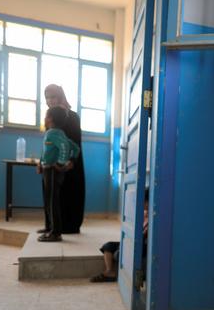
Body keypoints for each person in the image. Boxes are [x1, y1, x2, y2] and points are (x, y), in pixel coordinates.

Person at [43, 84, 85, 234]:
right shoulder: (51, 115)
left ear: (60, 96)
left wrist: (70, 162)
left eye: (53, 97)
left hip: (69, 163)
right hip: (52, 164)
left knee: (69, 193)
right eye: (47, 97)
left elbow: (75, 142)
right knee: (51, 195)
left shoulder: (72, 116)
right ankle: (51, 226)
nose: (50, 100)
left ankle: (69, 227)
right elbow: (48, 142)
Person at [37, 107, 80, 242]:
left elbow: (64, 147)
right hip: (48, 170)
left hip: (52, 171)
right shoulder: (59, 133)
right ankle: (51, 228)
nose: (44, 118)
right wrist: (40, 163)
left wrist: (61, 163)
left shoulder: (52, 134)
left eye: (46, 115)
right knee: (51, 200)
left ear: (50, 119)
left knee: (51, 201)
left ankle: (55, 233)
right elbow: (75, 147)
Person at [90, 189, 149, 283]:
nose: (142, 204)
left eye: (144, 202)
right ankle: (109, 272)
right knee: (108, 246)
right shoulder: (143, 214)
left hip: (143, 246)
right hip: (135, 241)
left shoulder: (154, 218)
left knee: (119, 252)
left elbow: (143, 236)